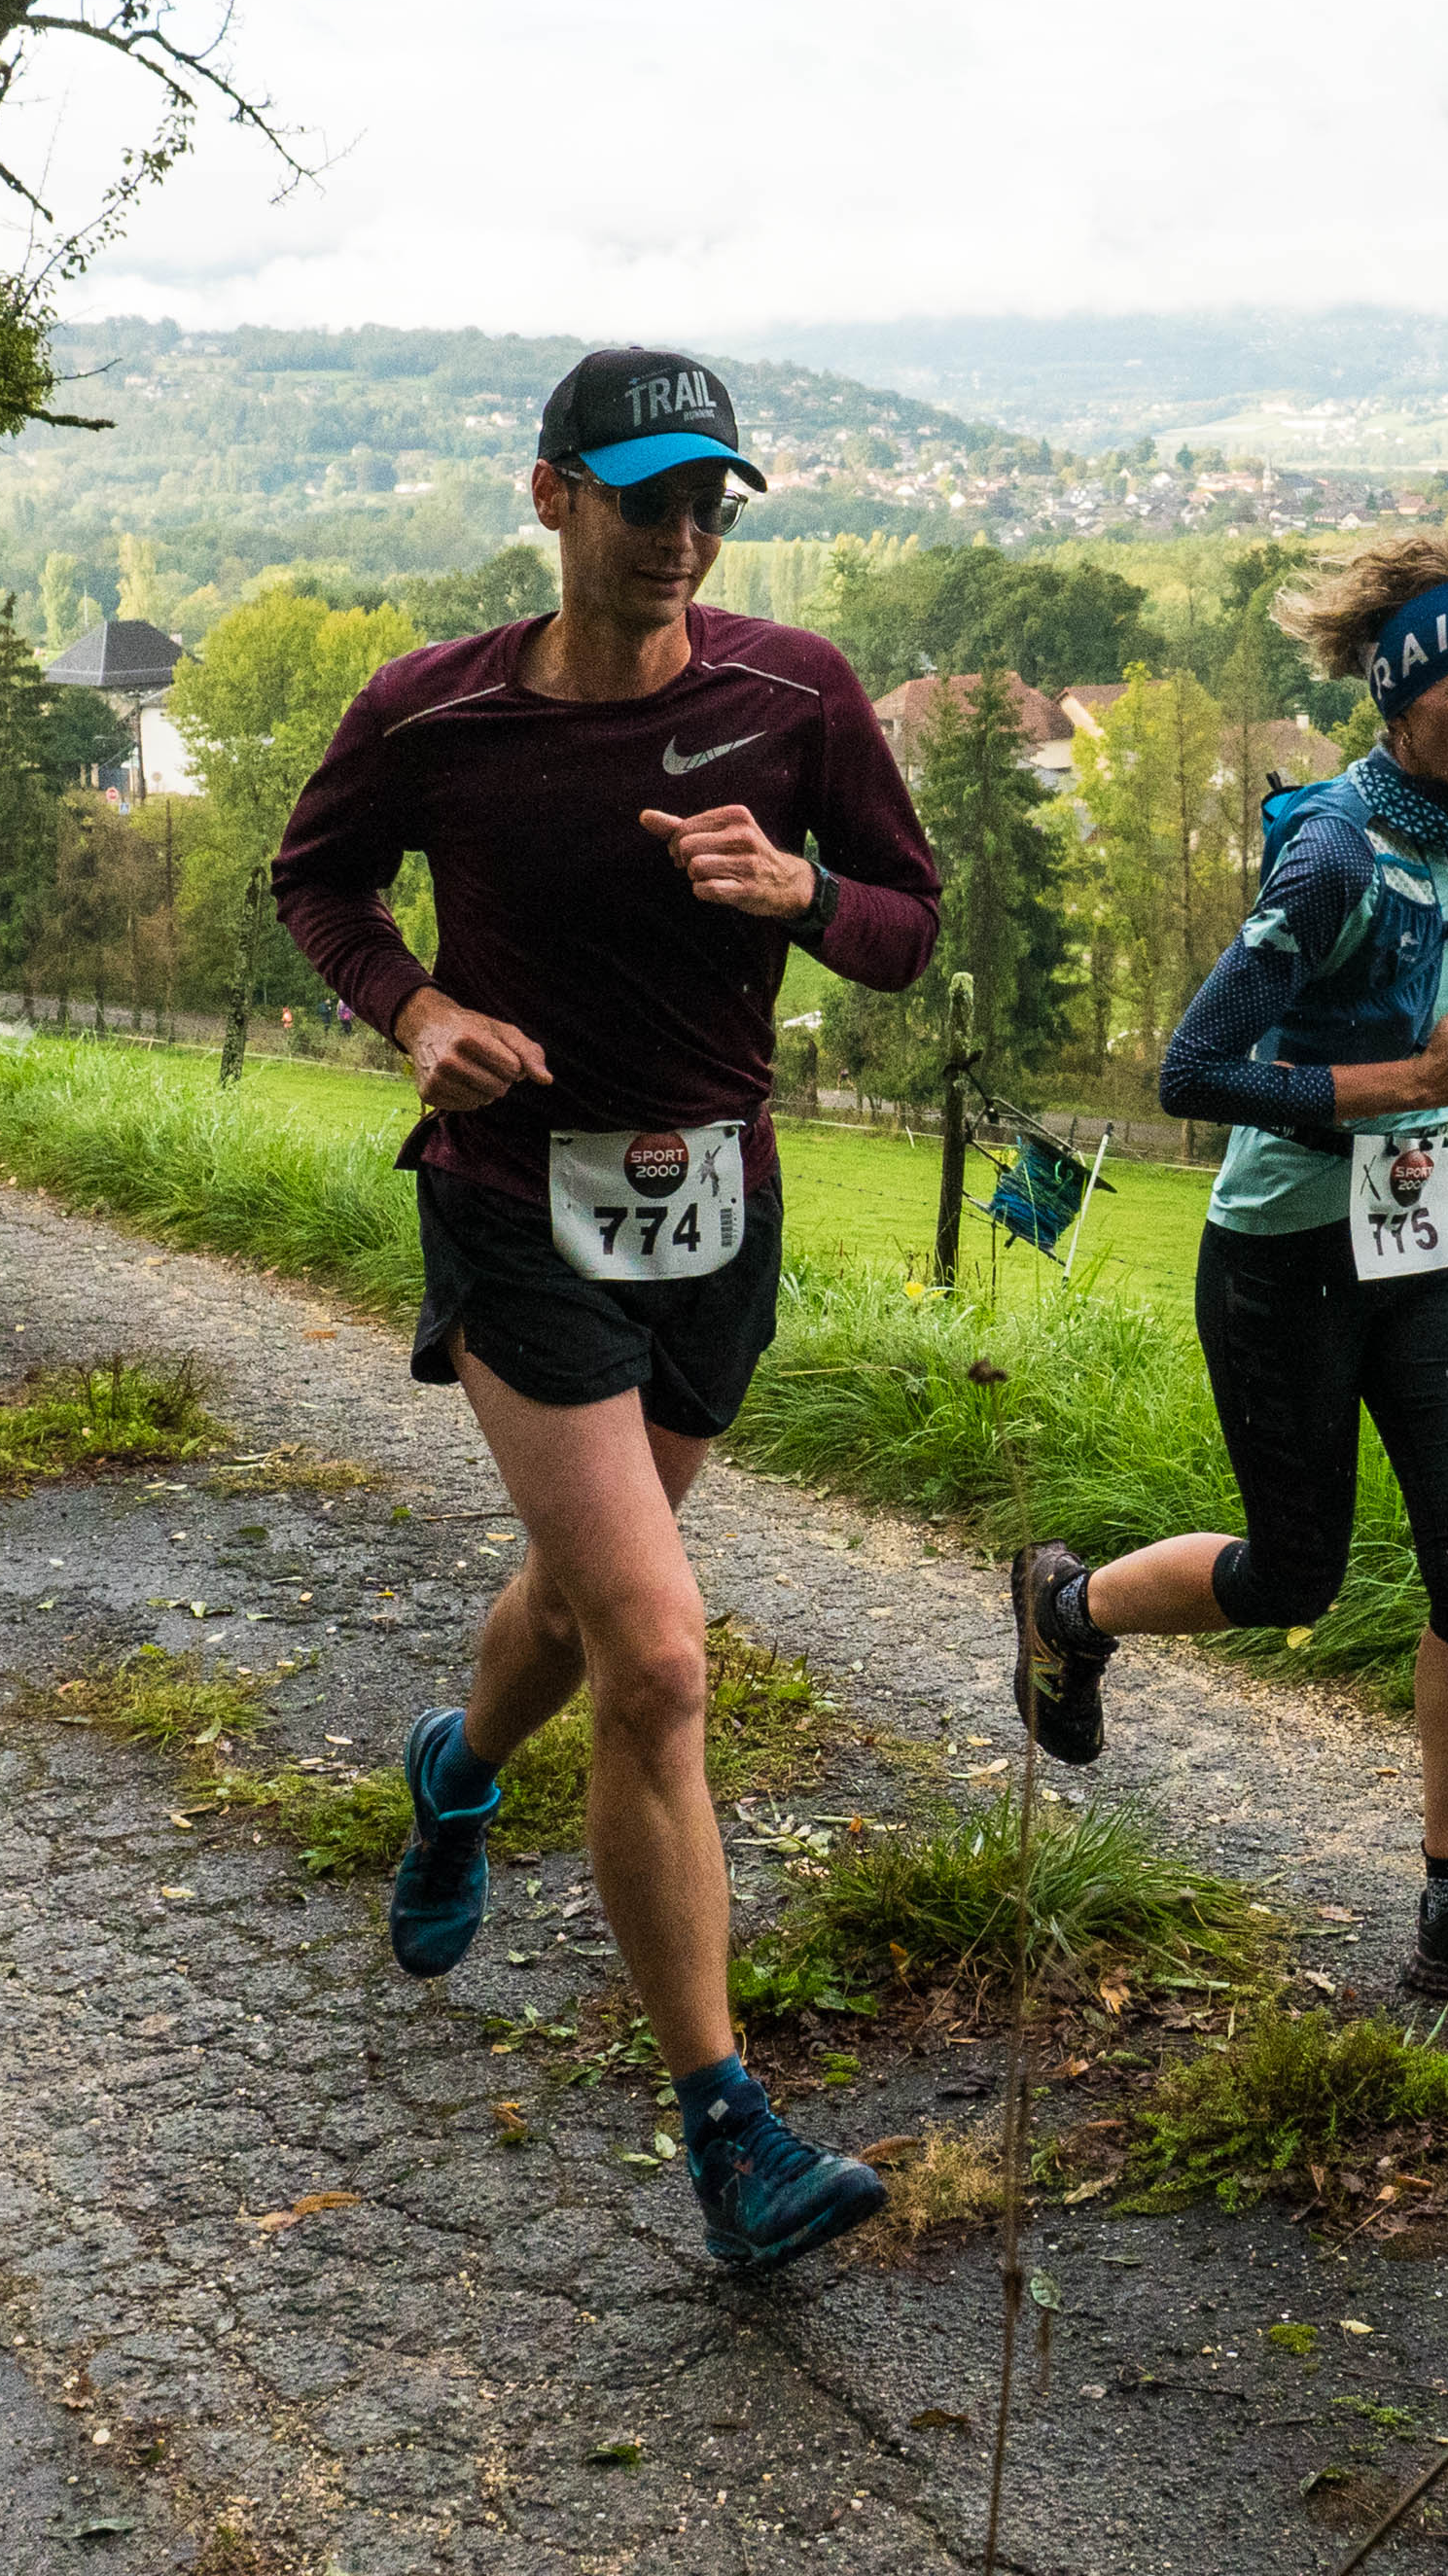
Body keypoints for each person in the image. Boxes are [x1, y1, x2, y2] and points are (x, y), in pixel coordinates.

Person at [270, 346, 941, 2272]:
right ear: (552, 495)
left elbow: (906, 925)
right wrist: (418, 1011)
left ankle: (455, 1769)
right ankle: (730, 2132)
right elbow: (319, 881)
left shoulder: (794, 696)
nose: (682, 539)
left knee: (581, 1603)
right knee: (655, 1653)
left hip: (716, 1211)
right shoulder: (435, 709)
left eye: (710, 504)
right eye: (647, 501)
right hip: (517, 1212)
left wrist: (800, 892)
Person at [1008, 534, 1448, 2027]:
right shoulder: (1333, 853)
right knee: (1298, 1575)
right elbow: (1193, 1070)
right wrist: (1408, 1084)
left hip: (1425, 1243)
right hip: (1285, 1258)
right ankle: (1069, 1609)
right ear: (1404, 701)